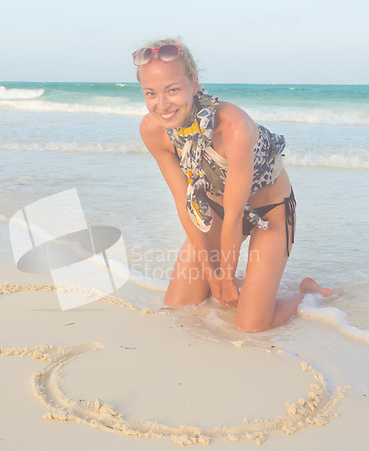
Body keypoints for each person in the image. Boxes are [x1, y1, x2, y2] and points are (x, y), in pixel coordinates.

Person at [134, 37, 332, 332]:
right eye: (151, 93)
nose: (162, 105)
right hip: (216, 211)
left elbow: (236, 212)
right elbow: (183, 203)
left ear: (194, 84)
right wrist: (212, 275)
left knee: (252, 326)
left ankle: (309, 293)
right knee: (178, 307)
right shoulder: (153, 131)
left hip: (270, 212)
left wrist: (224, 275)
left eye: (172, 90)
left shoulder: (233, 126)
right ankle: (251, 286)